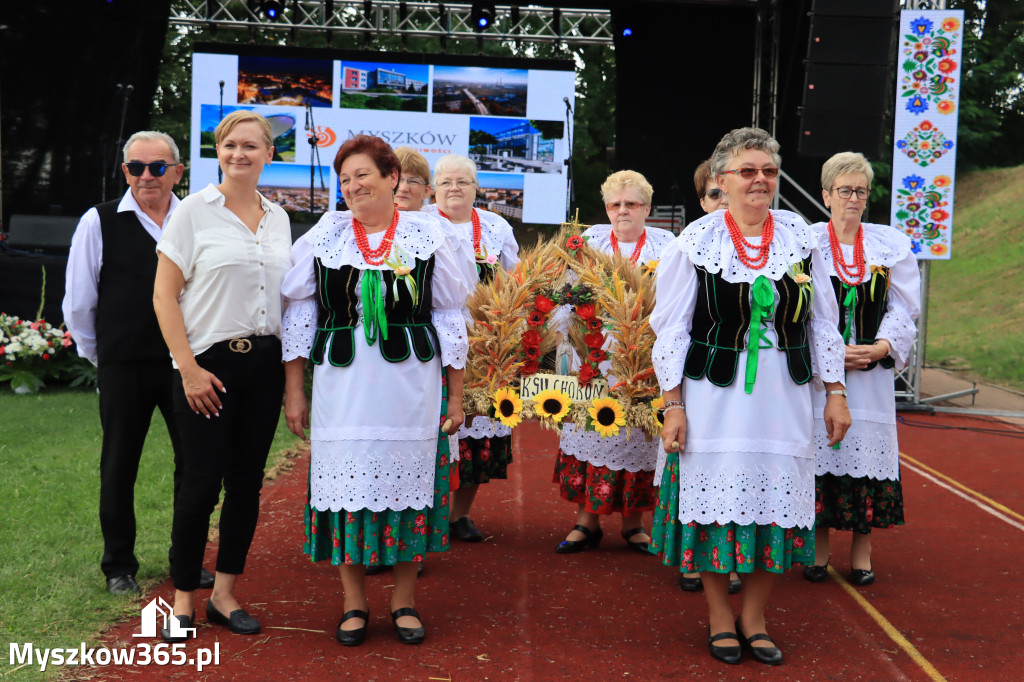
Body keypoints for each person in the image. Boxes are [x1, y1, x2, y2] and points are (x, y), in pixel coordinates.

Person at [650, 127, 851, 666]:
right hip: (713, 396)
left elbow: (824, 321)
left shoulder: (803, 238)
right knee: (716, 506)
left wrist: (835, 392)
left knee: (777, 506)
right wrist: (672, 406)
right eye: (747, 171)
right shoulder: (695, 241)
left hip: (783, 395)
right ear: (722, 180)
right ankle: (720, 616)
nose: (760, 180)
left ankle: (755, 617)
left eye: (768, 170)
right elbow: (669, 329)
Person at [281, 135, 469, 646]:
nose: (353, 186)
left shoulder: (429, 236)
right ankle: (353, 602)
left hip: (411, 385)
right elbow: (300, 313)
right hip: (342, 388)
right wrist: (294, 391)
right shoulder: (325, 237)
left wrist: (456, 396)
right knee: (347, 490)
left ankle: (404, 600)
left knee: (407, 488)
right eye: (344, 179)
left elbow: (451, 315)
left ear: (393, 179)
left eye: (363, 174)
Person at [153, 111, 292, 642]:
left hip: (264, 367)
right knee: (200, 484)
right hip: (206, 367)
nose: (240, 154)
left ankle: (225, 595)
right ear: (218, 151)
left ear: (269, 155)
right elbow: (164, 295)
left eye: (251, 146)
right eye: (230, 145)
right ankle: (184, 599)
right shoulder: (191, 212)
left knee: (246, 485)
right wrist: (188, 370)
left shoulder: (278, 218)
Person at [63, 130, 214, 596]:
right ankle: (118, 567)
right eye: (136, 167)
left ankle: (183, 559)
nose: (146, 176)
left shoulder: (199, 220)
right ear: (125, 170)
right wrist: (104, 357)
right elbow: (78, 304)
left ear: (178, 171)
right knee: (119, 464)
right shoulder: (99, 221)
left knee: (194, 465)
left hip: (185, 364)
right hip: (124, 365)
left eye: (157, 167)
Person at [804, 152, 920, 587]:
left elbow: (904, 308)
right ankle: (817, 546)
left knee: (865, 459)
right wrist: (830, 354)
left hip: (870, 376)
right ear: (826, 195)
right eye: (844, 190)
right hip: (823, 375)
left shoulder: (888, 244)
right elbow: (803, 310)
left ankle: (861, 549)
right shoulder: (808, 243)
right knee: (821, 452)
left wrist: (880, 347)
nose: (853, 199)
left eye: (860, 191)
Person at [551, 170, 674, 555]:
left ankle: (634, 524)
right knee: (593, 426)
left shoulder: (667, 245)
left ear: (647, 208)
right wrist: (563, 348)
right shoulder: (588, 242)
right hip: (596, 350)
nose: (623, 211)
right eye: (616, 204)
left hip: (645, 353)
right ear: (606, 208)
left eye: (632, 204)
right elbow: (565, 295)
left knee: (638, 433)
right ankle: (586, 522)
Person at [424, 154, 519, 543]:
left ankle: (460, 515)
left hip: (484, 344)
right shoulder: (420, 223)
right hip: (433, 341)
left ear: (476, 188)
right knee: (436, 429)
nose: (454, 189)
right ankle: (428, 513)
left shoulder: (496, 226)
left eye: (463, 182)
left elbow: (516, 280)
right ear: (434, 188)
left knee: (479, 433)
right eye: (446, 182)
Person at [678, 159, 740, 594]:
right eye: (713, 195)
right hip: (701, 377)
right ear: (702, 201)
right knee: (700, 470)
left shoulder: (775, 246)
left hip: (751, 385)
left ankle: (735, 559)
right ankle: (693, 558)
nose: (720, 203)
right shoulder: (691, 246)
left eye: (724, 193)